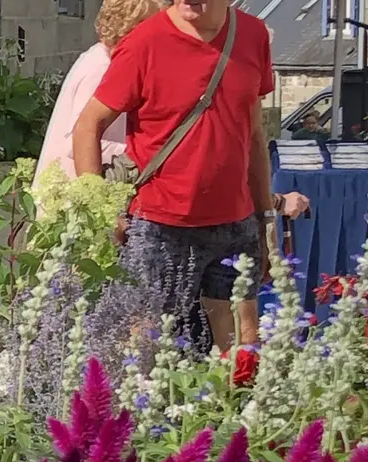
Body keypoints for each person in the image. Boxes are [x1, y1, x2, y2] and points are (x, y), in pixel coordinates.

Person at [73, 0, 275, 351]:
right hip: (158, 226)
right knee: (145, 350)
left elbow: (255, 134)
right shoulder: (144, 43)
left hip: (234, 223)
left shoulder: (253, 35)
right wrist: (101, 213)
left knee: (243, 349)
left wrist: (265, 216)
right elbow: (88, 125)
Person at [36, 0, 163, 179]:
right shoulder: (101, 67)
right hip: (70, 187)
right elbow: (76, 141)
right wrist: (139, 153)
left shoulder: (99, 57)